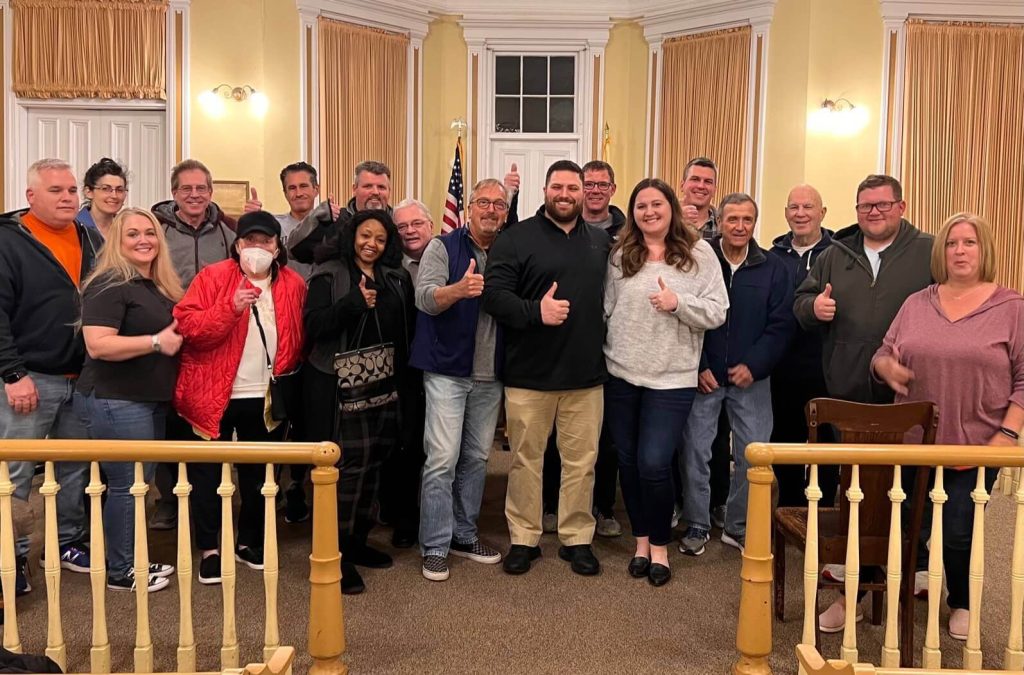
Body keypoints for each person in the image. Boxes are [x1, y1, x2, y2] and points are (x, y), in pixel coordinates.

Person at [871, 212, 1024, 641]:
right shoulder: (917, 302)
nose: (960, 250)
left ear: (984, 250)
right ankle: (895, 589)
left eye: (969, 243)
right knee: (907, 526)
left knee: (958, 531)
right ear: (942, 252)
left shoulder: (1012, 308)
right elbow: (883, 351)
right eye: (952, 243)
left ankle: (961, 600)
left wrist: (1008, 434)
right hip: (915, 442)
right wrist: (887, 367)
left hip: (978, 444)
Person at [793, 174, 933, 631]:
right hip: (848, 390)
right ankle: (850, 586)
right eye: (864, 206)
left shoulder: (928, 252)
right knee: (854, 490)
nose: (873, 213)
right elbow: (801, 300)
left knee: (908, 491)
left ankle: (907, 574)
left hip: (907, 393)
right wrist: (814, 309)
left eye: (882, 205)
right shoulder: (836, 254)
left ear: (901, 205)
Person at [483, 160, 611, 577]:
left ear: (582, 194)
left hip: (586, 378)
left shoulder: (601, 242)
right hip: (529, 377)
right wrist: (535, 311)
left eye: (573, 187)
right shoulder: (515, 239)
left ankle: (577, 538)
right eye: (558, 186)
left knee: (581, 463)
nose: (565, 194)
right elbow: (494, 298)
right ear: (545, 190)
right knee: (525, 461)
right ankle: (524, 537)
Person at [603, 178, 728, 586]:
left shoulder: (699, 254)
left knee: (654, 463)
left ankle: (660, 545)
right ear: (633, 213)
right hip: (622, 372)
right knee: (628, 462)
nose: (649, 212)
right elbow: (607, 309)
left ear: (671, 208)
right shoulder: (622, 254)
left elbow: (718, 311)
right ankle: (641, 541)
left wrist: (678, 304)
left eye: (657, 204)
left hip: (672, 379)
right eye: (641, 206)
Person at [173, 211, 306, 586]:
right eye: (250, 241)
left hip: (265, 395)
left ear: (278, 247)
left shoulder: (293, 284)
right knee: (207, 474)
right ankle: (210, 549)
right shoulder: (213, 277)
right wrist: (228, 307)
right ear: (237, 245)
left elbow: (300, 335)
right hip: (212, 392)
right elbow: (189, 327)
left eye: (266, 242)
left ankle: (249, 541)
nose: (258, 248)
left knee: (259, 475)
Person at [0, 159, 104, 596]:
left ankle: (65, 543)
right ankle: (13, 556)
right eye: (56, 190)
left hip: (80, 378)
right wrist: (12, 372)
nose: (67, 198)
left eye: (70, 191)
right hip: (29, 378)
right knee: (16, 474)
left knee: (74, 471)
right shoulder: (9, 241)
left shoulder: (88, 236)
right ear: (31, 196)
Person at [303, 209, 415, 594]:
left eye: (381, 239)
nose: (372, 244)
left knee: (374, 466)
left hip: (384, 383)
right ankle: (334, 555)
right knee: (345, 471)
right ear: (352, 235)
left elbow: (406, 329)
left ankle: (356, 542)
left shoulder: (395, 276)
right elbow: (314, 327)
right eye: (366, 235)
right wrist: (352, 303)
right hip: (339, 386)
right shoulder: (329, 273)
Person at [74, 208, 183, 592]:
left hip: (147, 398)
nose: (143, 240)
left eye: (149, 233)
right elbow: (98, 345)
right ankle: (121, 571)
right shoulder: (108, 284)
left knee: (140, 483)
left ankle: (129, 556)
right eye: (132, 234)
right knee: (127, 484)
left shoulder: (153, 284)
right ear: (117, 242)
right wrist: (155, 342)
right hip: (116, 399)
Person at [680, 193, 794, 556]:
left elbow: (781, 325)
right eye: (733, 219)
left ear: (755, 223)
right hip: (705, 377)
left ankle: (737, 525)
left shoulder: (773, 267)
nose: (740, 226)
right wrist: (699, 366)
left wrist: (755, 366)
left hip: (752, 381)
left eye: (747, 219)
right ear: (720, 221)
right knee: (696, 453)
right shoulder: (699, 258)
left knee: (753, 456)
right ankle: (697, 523)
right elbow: (685, 315)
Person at [410, 180, 507, 582]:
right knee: (442, 459)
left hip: (492, 374)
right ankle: (435, 543)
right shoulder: (443, 247)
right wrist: (458, 290)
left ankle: (464, 535)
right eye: (483, 202)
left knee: (477, 459)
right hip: (448, 371)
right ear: (469, 207)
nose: (490, 209)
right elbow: (425, 298)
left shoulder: (510, 250)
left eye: (498, 203)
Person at [540, 160, 626, 538]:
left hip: (607, 350)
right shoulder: (549, 229)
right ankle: (550, 506)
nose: (592, 190)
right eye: (586, 184)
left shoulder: (626, 234)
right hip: (558, 345)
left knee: (601, 440)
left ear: (612, 189)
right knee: (555, 440)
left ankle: (602, 507)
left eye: (599, 184)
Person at [768, 185, 836, 507]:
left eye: (808, 207)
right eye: (794, 207)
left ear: (822, 213)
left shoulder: (839, 255)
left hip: (824, 368)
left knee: (825, 445)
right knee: (784, 441)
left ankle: (823, 510)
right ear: (785, 213)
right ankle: (790, 509)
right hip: (781, 369)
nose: (800, 213)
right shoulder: (771, 258)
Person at [676, 156, 730, 532]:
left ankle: (717, 506)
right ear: (682, 183)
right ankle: (682, 504)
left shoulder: (725, 227)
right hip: (682, 347)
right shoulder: (668, 223)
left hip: (720, 336)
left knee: (717, 438)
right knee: (684, 439)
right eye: (694, 179)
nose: (700, 186)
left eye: (707, 181)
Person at [151, 159, 238, 289]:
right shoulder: (156, 229)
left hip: (218, 308)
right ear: (174, 194)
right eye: (186, 189)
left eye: (201, 188)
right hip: (169, 308)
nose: (194, 195)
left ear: (210, 193)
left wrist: (254, 220)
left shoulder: (230, 228)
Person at [287, 160, 392, 265]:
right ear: (354, 189)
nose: (375, 192)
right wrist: (316, 219)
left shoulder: (398, 223)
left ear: (389, 191)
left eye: (381, 187)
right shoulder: (335, 220)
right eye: (368, 186)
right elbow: (293, 251)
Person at [276, 161, 320, 279]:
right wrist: (252, 218)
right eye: (292, 188)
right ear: (285, 194)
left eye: (303, 186)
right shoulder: (273, 226)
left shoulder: (330, 225)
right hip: (285, 294)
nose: (299, 193)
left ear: (316, 189)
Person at [78, 158, 129, 240]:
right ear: (88, 192)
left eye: (119, 190)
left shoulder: (127, 228)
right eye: (105, 189)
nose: (114, 195)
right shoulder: (75, 227)